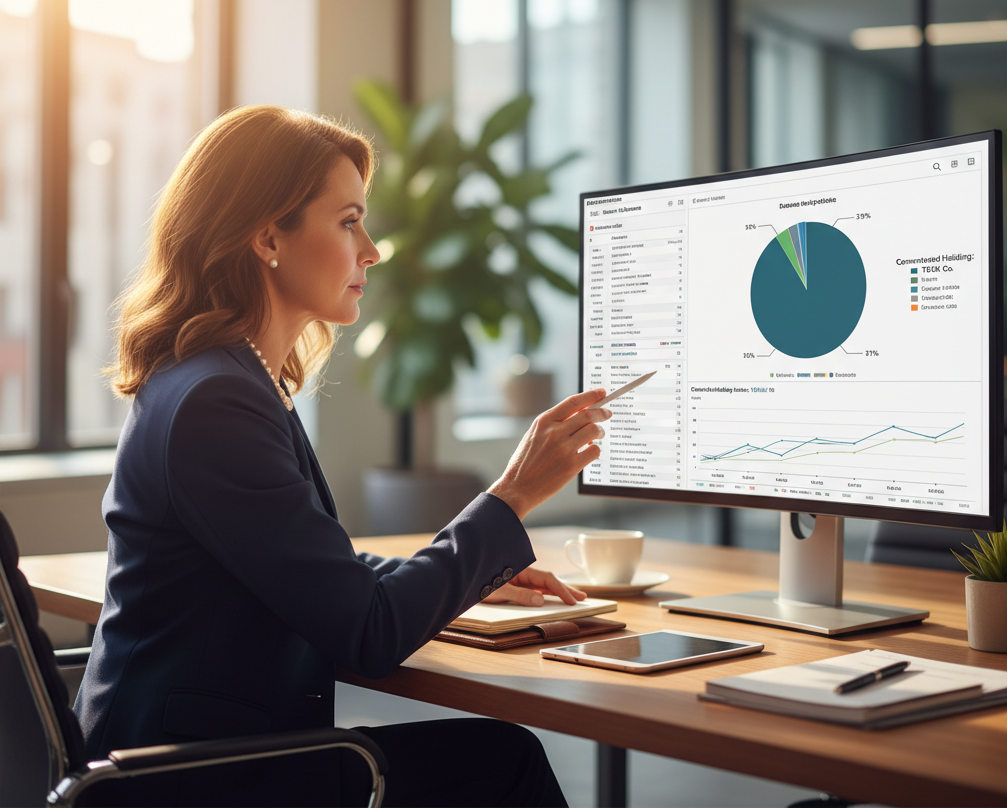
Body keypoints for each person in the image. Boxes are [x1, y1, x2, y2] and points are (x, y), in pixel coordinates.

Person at [74, 105, 612, 807]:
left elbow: (299, 570)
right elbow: (367, 632)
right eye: (348, 220)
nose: (373, 249)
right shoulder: (217, 403)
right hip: (192, 781)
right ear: (268, 236)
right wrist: (509, 498)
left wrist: (474, 573)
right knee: (503, 761)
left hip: (185, 756)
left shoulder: (221, 379)